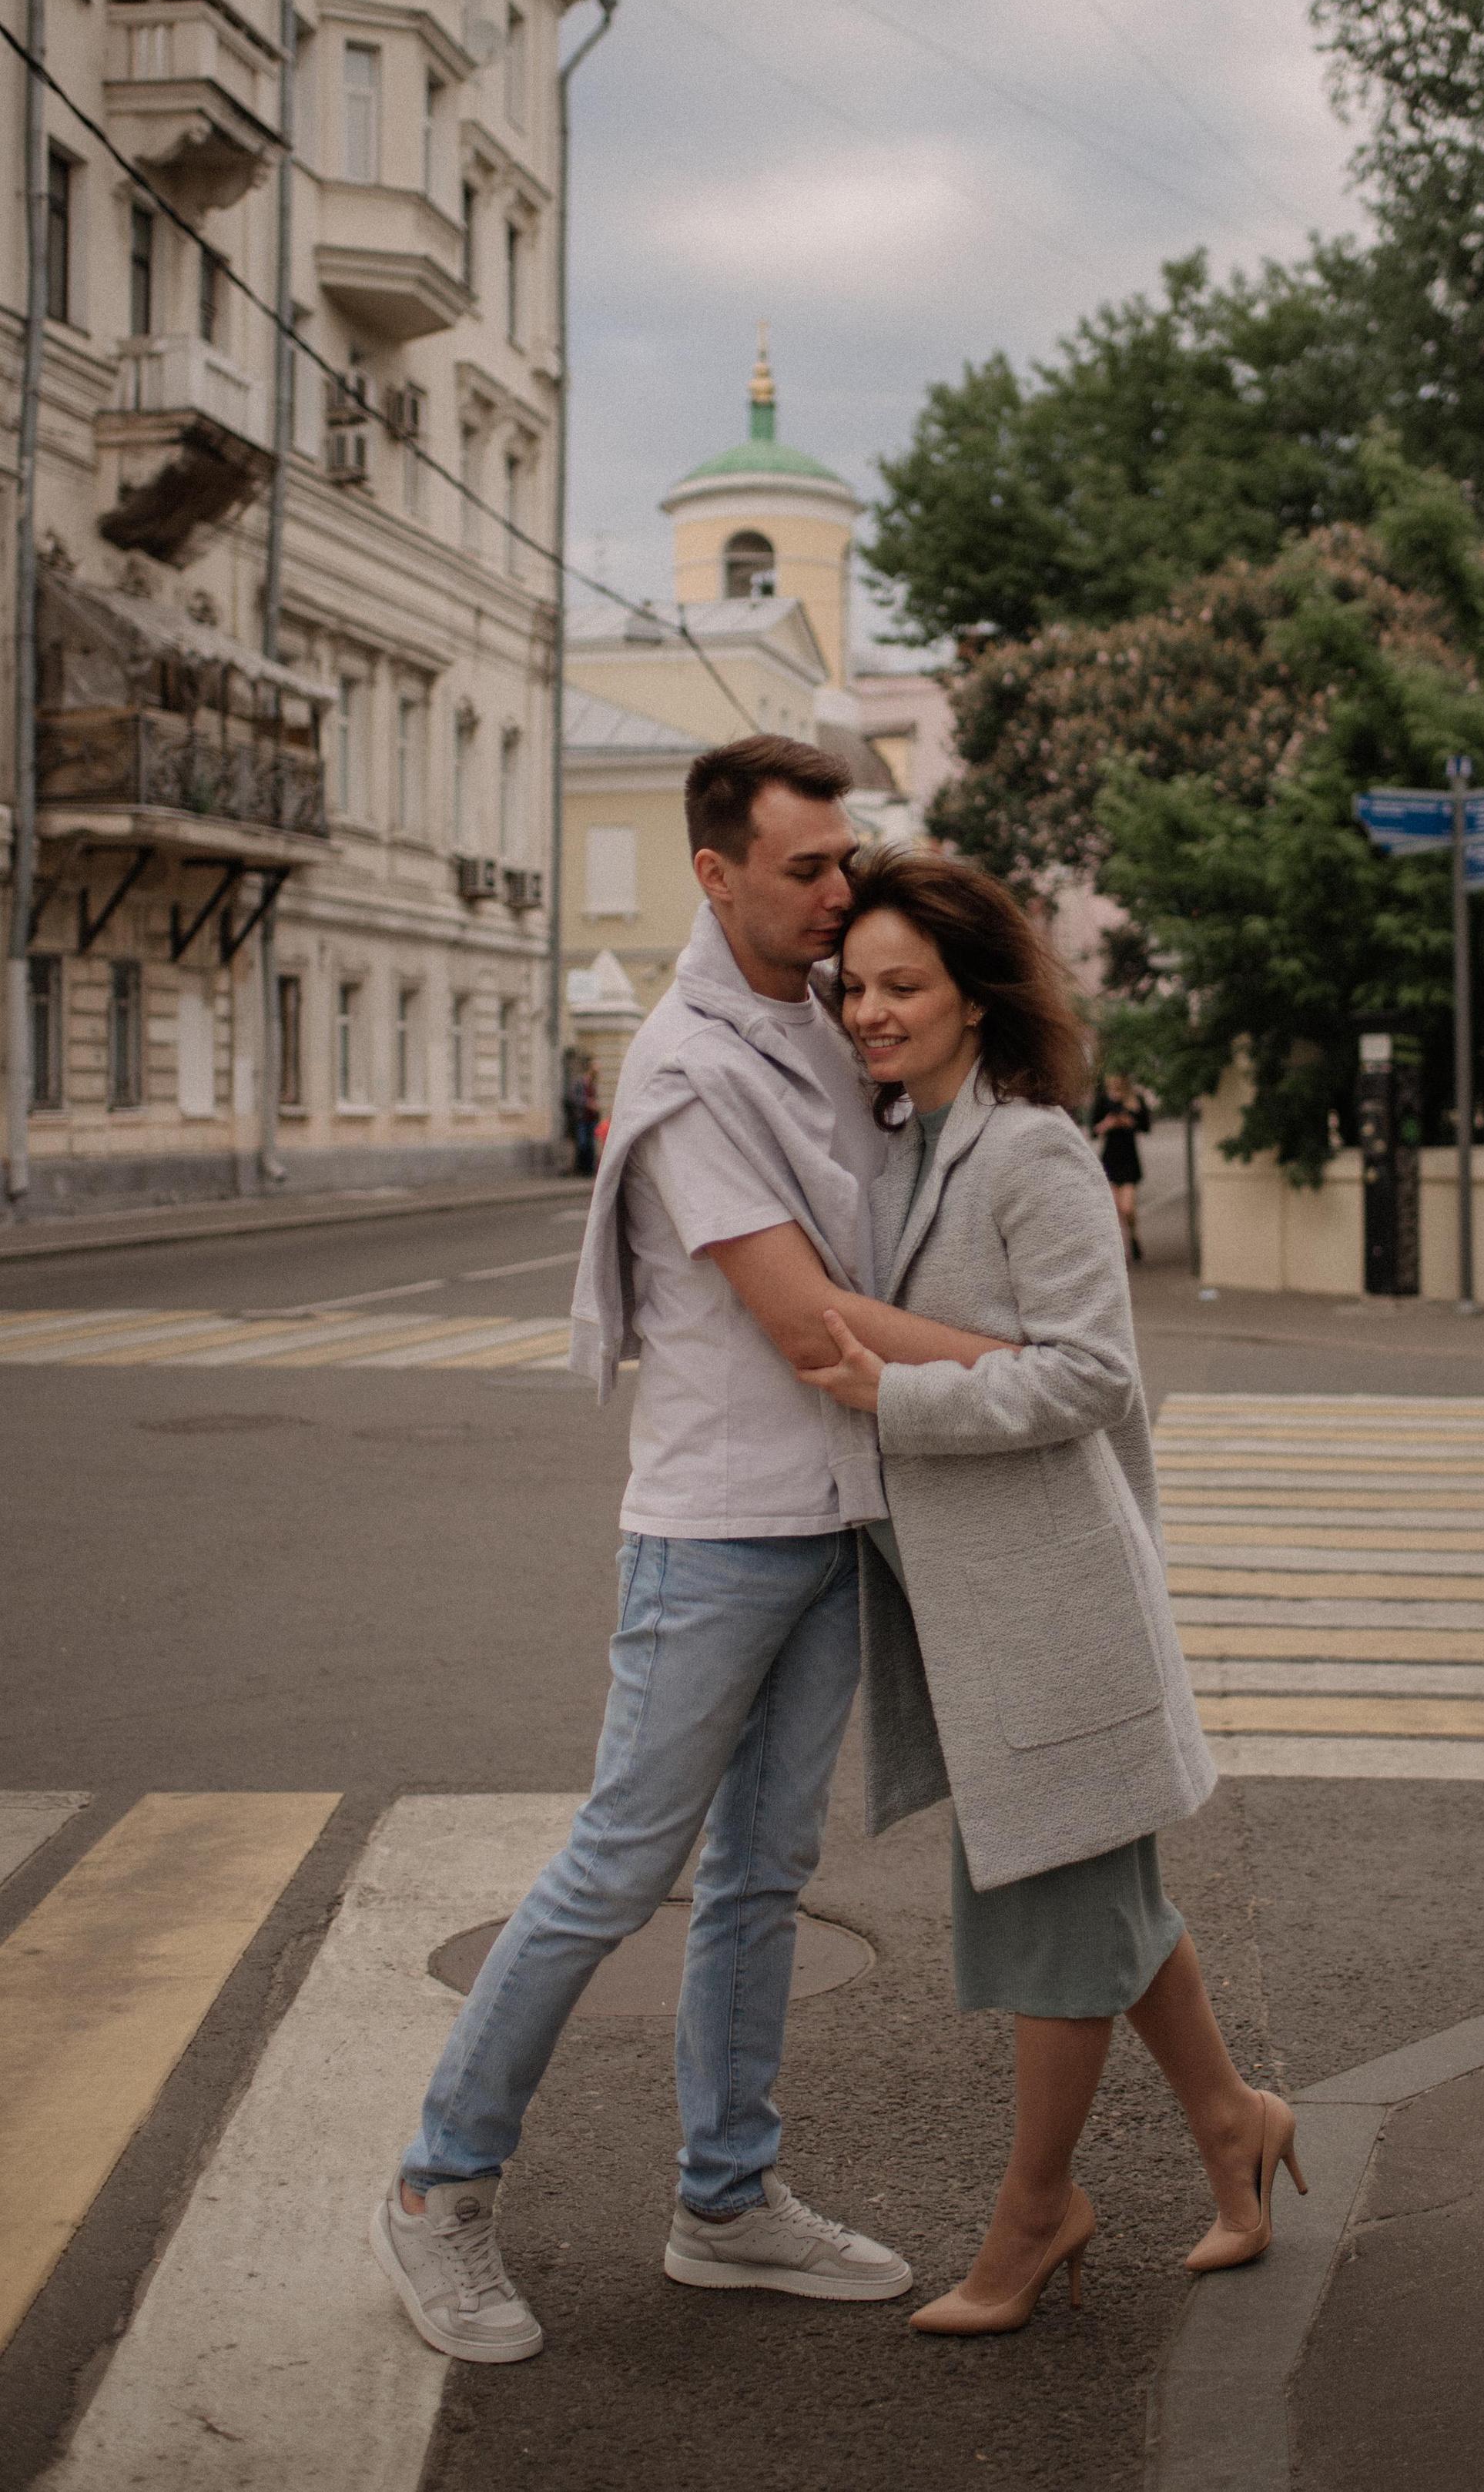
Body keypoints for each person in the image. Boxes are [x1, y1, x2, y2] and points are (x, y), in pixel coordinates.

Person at [371, 739, 1013, 2366]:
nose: (836, 892)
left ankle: (725, 2204)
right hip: (719, 1526)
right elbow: (804, 1324)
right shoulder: (681, 1071)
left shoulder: (817, 1018)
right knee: (617, 1869)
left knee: (762, 1877)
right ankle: (435, 2189)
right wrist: (1026, 1373)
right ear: (714, 874)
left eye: (842, 860)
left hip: (834, 1515)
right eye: (803, 869)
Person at [741, 847, 1305, 2337]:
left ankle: (1037, 2209)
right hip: (987, 1606)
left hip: (1051, 1606)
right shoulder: (912, 1145)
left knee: (1054, 1921)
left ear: (977, 996)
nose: (869, 1009)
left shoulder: (1031, 1147)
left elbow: (1091, 1373)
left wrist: (892, 1392)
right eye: (853, 985)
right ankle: (1236, 2120)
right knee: (1101, 1894)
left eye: (902, 985)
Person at [1092, 1071, 1153, 1262]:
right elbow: (1094, 1130)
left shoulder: (1135, 1099)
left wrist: (1130, 1121)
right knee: (1114, 1208)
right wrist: (1107, 1124)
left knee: (1127, 1208)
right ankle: (1119, 1248)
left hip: (1129, 1158)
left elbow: (1146, 1127)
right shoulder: (1103, 1100)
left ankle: (1134, 1237)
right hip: (1110, 1158)